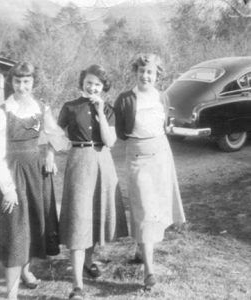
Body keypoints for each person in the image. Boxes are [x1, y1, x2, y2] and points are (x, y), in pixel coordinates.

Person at [0, 62, 68, 300]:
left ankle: (26, 271)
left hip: (37, 174)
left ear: (33, 83)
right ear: (11, 82)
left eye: (27, 82)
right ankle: (11, 294)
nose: (22, 87)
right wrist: (8, 189)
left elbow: (58, 138)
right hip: (13, 175)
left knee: (33, 226)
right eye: (17, 81)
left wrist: (50, 155)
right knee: (15, 232)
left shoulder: (42, 108)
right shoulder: (1, 112)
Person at [114, 53, 186, 291]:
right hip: (137, 155)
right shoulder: (125, 99)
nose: (145, 76)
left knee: (157, 206)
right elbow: (122, 133)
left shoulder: (162, 97)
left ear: (157, 76)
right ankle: (149, 272)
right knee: (144, 207)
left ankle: (140, 249)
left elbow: (164, 125)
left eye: (150, 72)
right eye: (141, 71)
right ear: (135, 73)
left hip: (161, 154)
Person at [58, 64, 128, 300]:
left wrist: (99, 112)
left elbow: (109, 141)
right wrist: (50, 154)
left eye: (97, 84)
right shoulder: (69, 107)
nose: (92, 87)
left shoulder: (108, 109)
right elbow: (54, 136)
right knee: (79, 217)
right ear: (82, 82)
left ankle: (88, 262)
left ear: (103, 87)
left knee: (95, 215)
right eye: (89, 82)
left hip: (102, 162)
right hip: (78, 161)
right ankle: (77, 286)